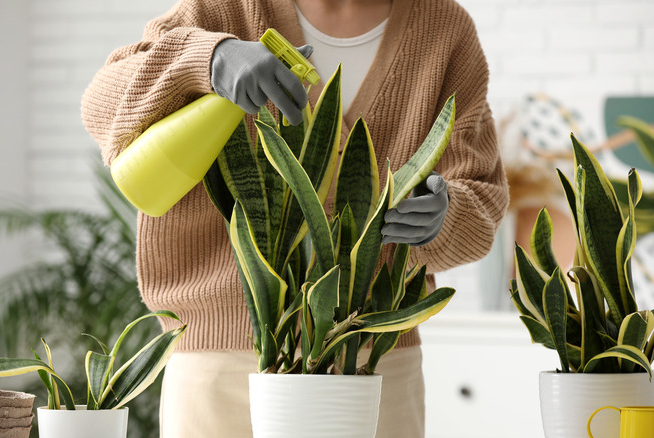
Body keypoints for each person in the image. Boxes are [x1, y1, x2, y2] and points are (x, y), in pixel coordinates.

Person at [81, 0, 509, 436]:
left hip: (376, 360)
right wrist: (210, 57)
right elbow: (101, 102)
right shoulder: (224, 9)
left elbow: (482, 197)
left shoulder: (443, 28)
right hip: (219, 362)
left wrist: (445, 214)